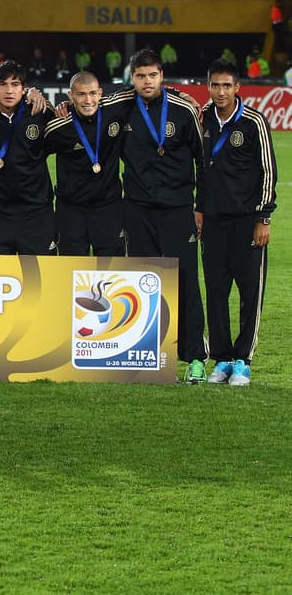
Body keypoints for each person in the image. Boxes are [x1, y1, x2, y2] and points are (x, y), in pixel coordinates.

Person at [101, 48, 207, 382]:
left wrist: (199, 207)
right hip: (137, 208)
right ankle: (147, 358)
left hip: (177, 207)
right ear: (132, 79)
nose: (147, 82)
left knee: (186, 279)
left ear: (162, 76)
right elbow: (85, 102)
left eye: (153, 75)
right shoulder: (122, 107)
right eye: (140, 76)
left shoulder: (184, 109)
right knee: (144, 283)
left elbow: (203, 162)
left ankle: (195, 358)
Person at [198, 59, 277, 386]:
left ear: (237, 88)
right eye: (215, 85)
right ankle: (222, 358)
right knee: (216, 292)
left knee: (250, 293)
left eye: (226, 85)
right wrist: (199, 209)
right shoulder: (202, 119)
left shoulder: (254, 122)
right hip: (213, 222)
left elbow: (269, 171)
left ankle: (243, 360)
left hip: (248, 222)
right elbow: (199, 171)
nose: (220, 92)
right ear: (208, 86)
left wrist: (264, 217)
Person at [0, 60, 57, 255]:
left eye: (15, 84)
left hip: (36, 213)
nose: (9, 90)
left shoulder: (40, 110)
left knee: (41, 278)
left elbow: (68, 125)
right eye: (3, 84)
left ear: (24, 89)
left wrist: (45, 96)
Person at [45, 72, 126, 256]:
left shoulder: (114, 111)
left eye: (92, 93)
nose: (88, 100)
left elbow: (146, 87)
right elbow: (32, 155)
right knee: (70, 275)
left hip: (109, 209)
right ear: (70, 96)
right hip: (71, 212)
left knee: (111, 276)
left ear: (100, 93)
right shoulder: (59, 126)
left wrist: (180, 94)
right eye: (81, 94)